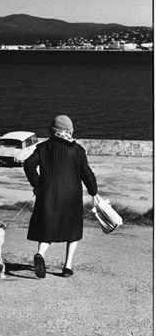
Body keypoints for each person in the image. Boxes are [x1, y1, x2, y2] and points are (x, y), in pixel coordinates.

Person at [23, 115, 98, 278]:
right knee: (73, 230)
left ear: (53, 130)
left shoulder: (43, 147)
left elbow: (28, 165)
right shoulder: (77, 150)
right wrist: (94, 191)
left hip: (48, 194)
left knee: (47, 227)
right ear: (69, 130)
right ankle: (67, 266)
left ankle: (40, 255)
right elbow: (87, 174)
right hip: (72, 196)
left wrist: (37, 185)